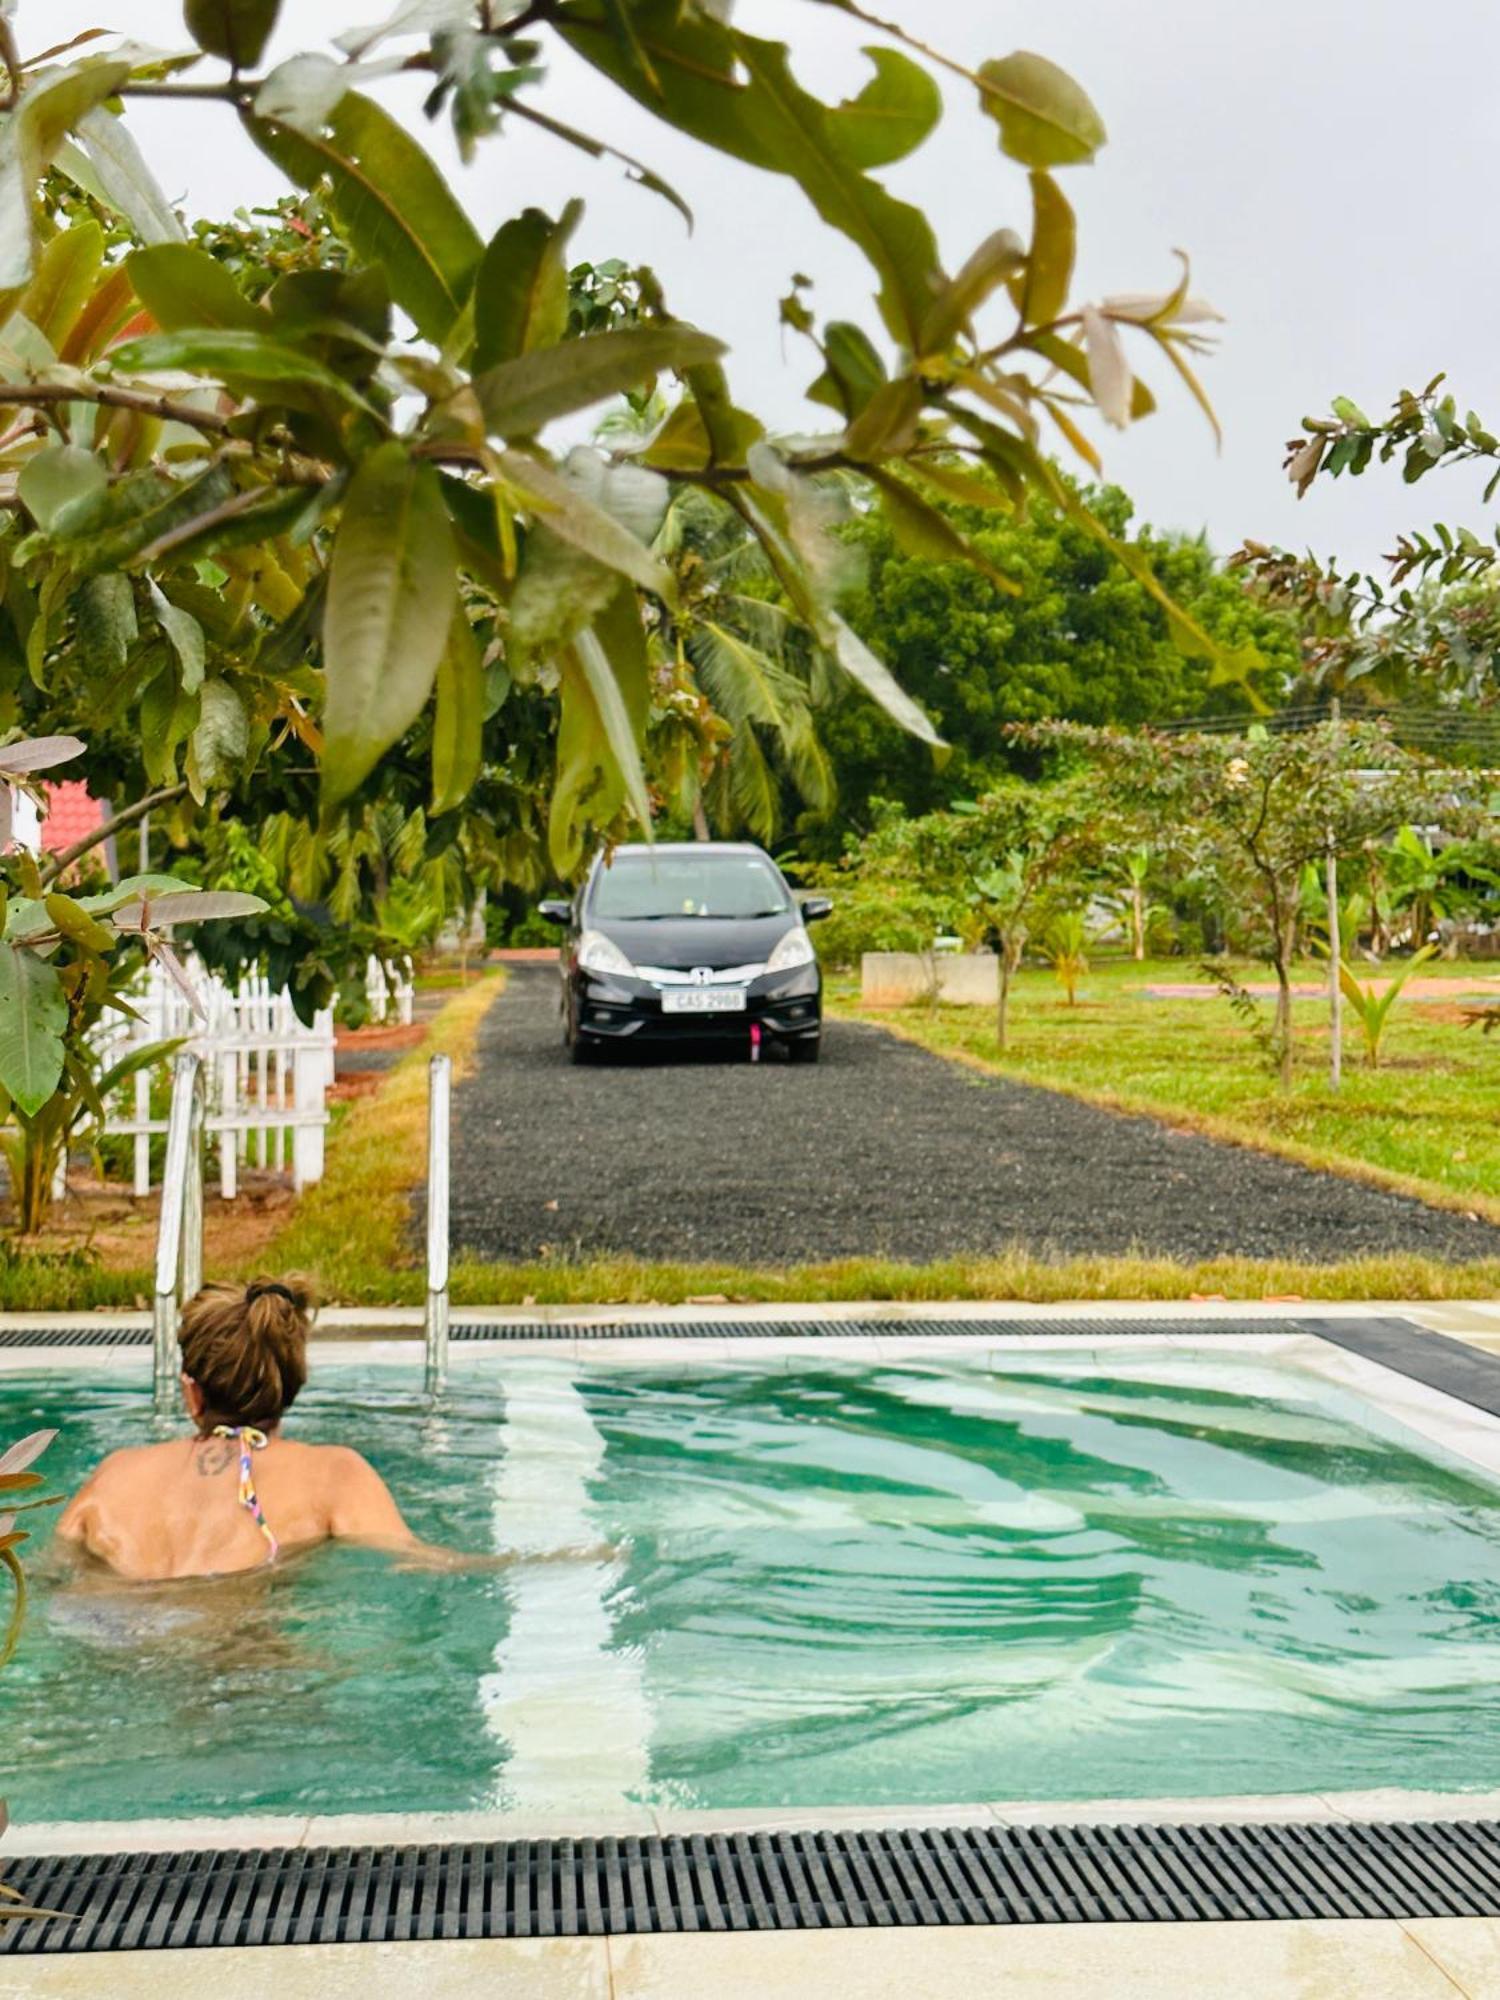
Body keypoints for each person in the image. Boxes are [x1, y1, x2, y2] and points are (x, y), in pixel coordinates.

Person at [57, 1277, 424, 1582]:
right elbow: (418, 1563)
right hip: (237, 1651)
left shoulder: (116, 1472)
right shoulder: (335, 1474)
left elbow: (48, 1573)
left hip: (112, 1637)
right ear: (292, 1383)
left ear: (191, 1392)